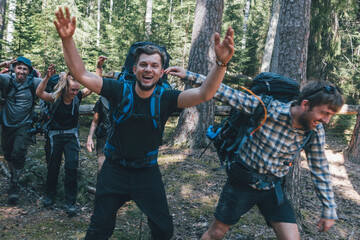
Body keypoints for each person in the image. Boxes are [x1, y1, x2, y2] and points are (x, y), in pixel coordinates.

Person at [54, 6, 234, 239]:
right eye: (143, 65)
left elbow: (204, 94)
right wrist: (67, 39)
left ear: (161, 73)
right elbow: (80, 74)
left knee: (163, 229)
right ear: (135, 69)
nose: (148, 69)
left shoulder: (166, 98)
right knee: (99, 229)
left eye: (154, 66)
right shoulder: (119, 90)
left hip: (146, 172)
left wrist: (220, 64)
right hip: (114, 169)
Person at [165, 66, 344, 240]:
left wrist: (328, 209)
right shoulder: (267, 109)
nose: (326, 121)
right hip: (241, 184)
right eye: (324, 113)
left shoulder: (314, 130)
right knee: (216, 234)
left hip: (273, 188)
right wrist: (188, 75)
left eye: (330, 116)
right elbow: (224, 92)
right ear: (305, 105)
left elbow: (320, 168)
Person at [36, 64, 92, 216]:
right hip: (55, 135)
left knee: (72, 167)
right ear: (65, 88)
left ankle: (70, 203)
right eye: (72, 90)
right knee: (53, 167)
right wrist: (47, 77)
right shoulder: (55, 98)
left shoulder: (77, 97)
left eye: (76, 89)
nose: (75, 92)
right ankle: (49, 196)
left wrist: (98, 68)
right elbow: (39, 92)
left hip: (71, 136)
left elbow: (91, 87)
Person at [0, 57, 43, 204]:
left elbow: (52, 85)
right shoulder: (6, 80)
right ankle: (14, 177)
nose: (22, 71)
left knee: (18, 152)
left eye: (25, 69)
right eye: (19, 68)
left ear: (29, 71)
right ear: (14, 69)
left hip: (24, 124)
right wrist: (2, 65)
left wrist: (54, 76)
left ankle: (14, 182)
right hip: (7, 124)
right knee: (8, 153)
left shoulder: (34, 82)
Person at [87, 56, 110, 174]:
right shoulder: (102, 101)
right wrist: (90, 137)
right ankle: (101, 191)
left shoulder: (125, 99)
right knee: (102, 166)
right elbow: (95, 121)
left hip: (118, 138)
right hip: (103, 137)